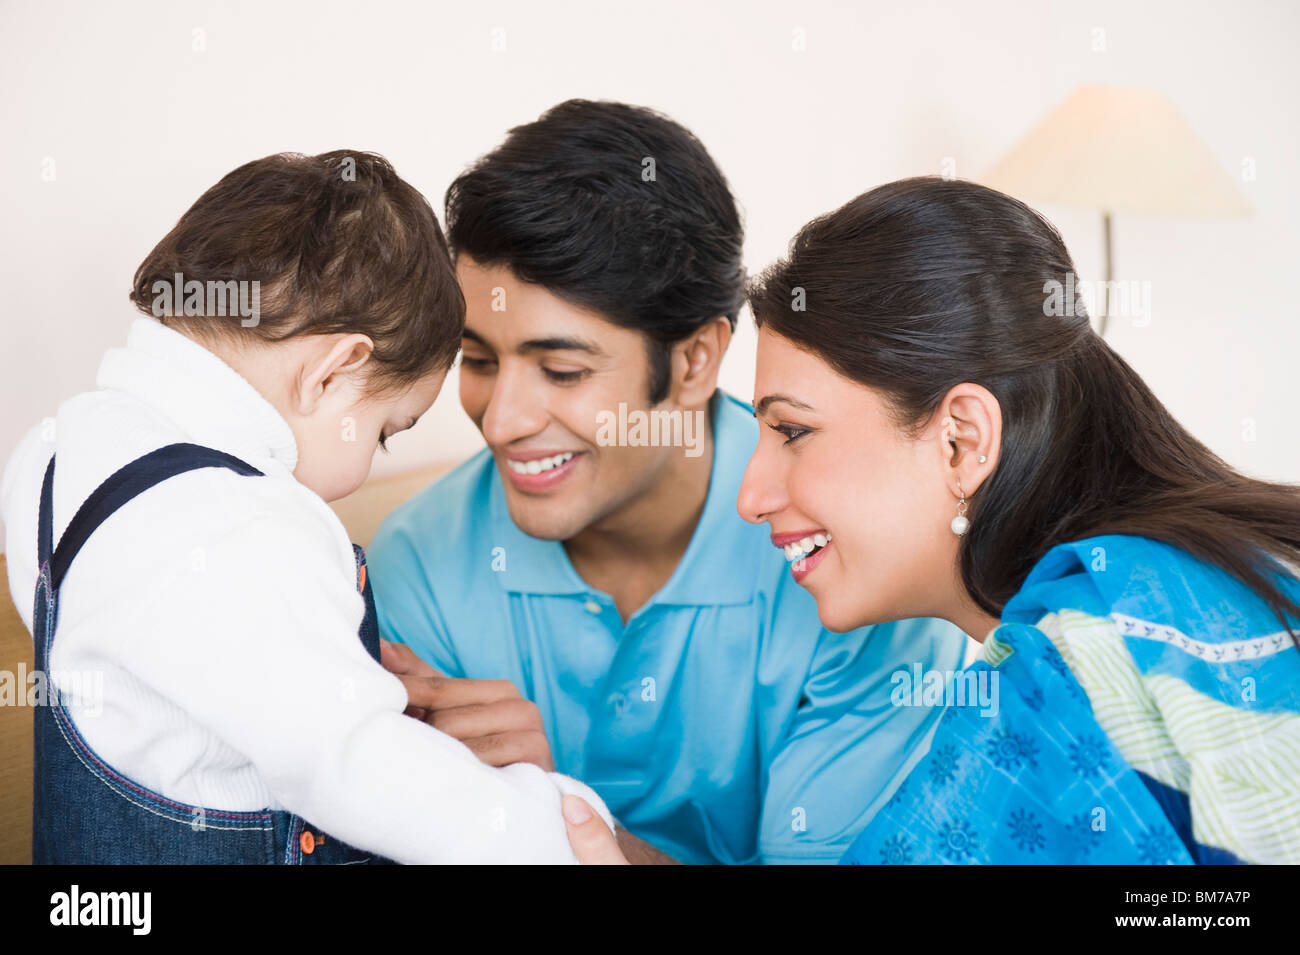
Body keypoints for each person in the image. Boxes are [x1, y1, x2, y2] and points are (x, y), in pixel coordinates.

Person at [563, 176, 1300, 864]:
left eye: (792, 431)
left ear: (962, 440)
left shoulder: (1083, 658)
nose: (750, 496)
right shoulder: (1211, 576)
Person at [367, 101, 968, 864]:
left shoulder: (860, 561)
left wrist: (549, 812)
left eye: (562, 370)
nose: (501, 420)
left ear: (693, 362)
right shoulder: (417, 561)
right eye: (479, 359)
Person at [1, 150, 614, 865]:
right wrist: (562, 828)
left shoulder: (54, 452)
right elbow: (360, 764)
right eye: (385, 433)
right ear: (332, 373)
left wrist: (318, 659)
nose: (367, 462)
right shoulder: (244, 524)